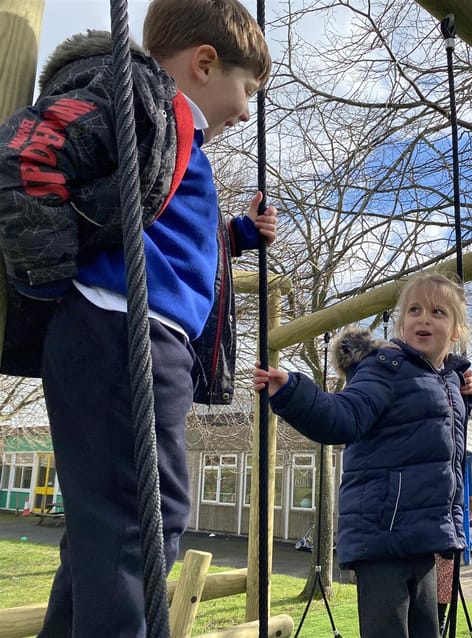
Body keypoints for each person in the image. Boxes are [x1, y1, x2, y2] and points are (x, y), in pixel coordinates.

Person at [0, 2, 275, 636]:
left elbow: (164, 234)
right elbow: (31, 153)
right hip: (123, 328)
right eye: (247, 89)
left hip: (140, 335)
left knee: (111, 527)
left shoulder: (172, 134)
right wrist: (50, 276)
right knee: (142, 521)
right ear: (204, 64)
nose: (246, 111)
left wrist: (237, 235)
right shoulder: (144, 106)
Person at [252, 272, 472, 638]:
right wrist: (293, 393)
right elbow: (344, 416)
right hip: (383, 534)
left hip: (427, 535)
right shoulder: (385, 368)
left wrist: (463, 402)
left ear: (455, 331)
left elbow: (441, 443)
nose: (423, 319)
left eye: (437, 312)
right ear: (401, 323)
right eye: (414, 310)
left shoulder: (449, 381)